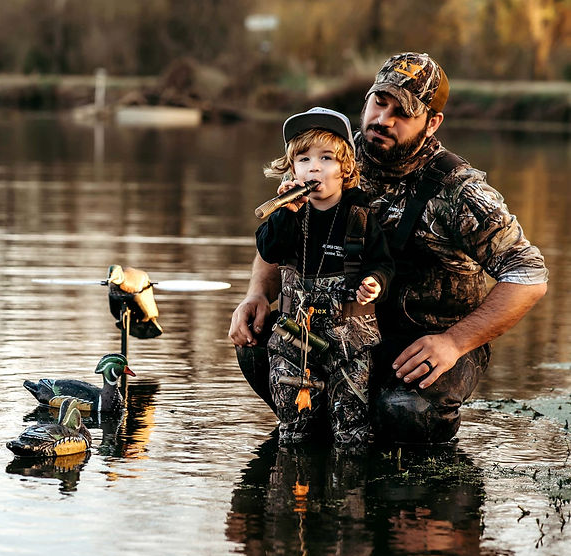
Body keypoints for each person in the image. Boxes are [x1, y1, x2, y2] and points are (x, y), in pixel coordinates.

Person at [229, 52, 548, 445]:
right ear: (366, 99)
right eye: (380, 102)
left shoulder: (459, 191)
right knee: (256, 343)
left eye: (403, 112)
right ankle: (315, 430)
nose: (383, 120)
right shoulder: (331, 155)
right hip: (336, 326)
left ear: (432, 123)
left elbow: (529, 277)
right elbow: (284, 226)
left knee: (401, 414)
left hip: (422, 341)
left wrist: (455, 342)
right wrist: (257, 293)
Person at [256, 107, 393, 447]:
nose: (314, 166)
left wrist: (375, 282)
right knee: (294, 429)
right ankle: (294, 490)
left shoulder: (360, 216)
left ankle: (345, 491)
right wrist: (283, 213)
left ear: (345, 168)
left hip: (350, 341)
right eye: (303, 159)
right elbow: (269, 250)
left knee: (351, 430)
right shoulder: (287, 213)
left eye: (326, 157)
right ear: (292, 170)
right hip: (294, 339)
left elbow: (384, 264)